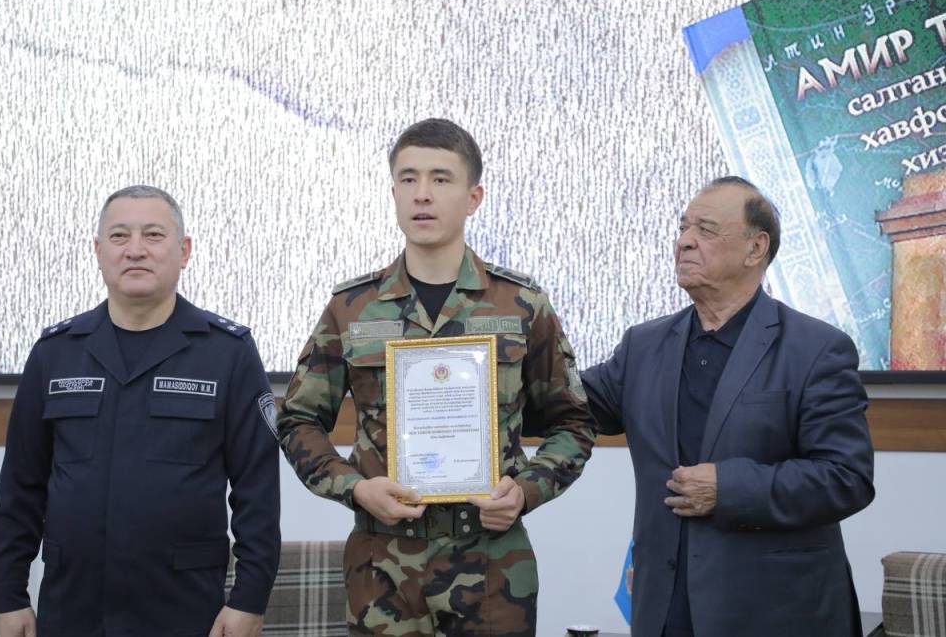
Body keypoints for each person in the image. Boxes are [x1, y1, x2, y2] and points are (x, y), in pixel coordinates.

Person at [278, 118, 595, 636]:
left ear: (473, 198)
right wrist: (355, 488)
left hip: (492, 561)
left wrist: (525, 491)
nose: (422, 194)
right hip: (382, 566)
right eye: (408, 178)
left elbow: (574, 424)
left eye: (441, 179)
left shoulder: (520, 304)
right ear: (394, 193)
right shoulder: (352, 307)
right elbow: (297, 421)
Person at [581, 176, 875, 637]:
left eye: (706, 229)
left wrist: (729, 489)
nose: (684, 241)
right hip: (666, 607)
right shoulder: (644, 345)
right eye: (683, 228)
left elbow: (846, 478)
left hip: (775, 611)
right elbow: (567, 403)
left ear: (755, 248)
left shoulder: (816, 349)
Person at [0, 185, 280, 637]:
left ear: (184, 251)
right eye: (120, 236)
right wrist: (9, 596)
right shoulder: (56, 353)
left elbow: (256, 492)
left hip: (186, 609)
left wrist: (249, 599)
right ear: (99, 251)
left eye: (154, 235)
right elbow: (19, 486)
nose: (136, 250)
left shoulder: (228, 354)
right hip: (74, 608)